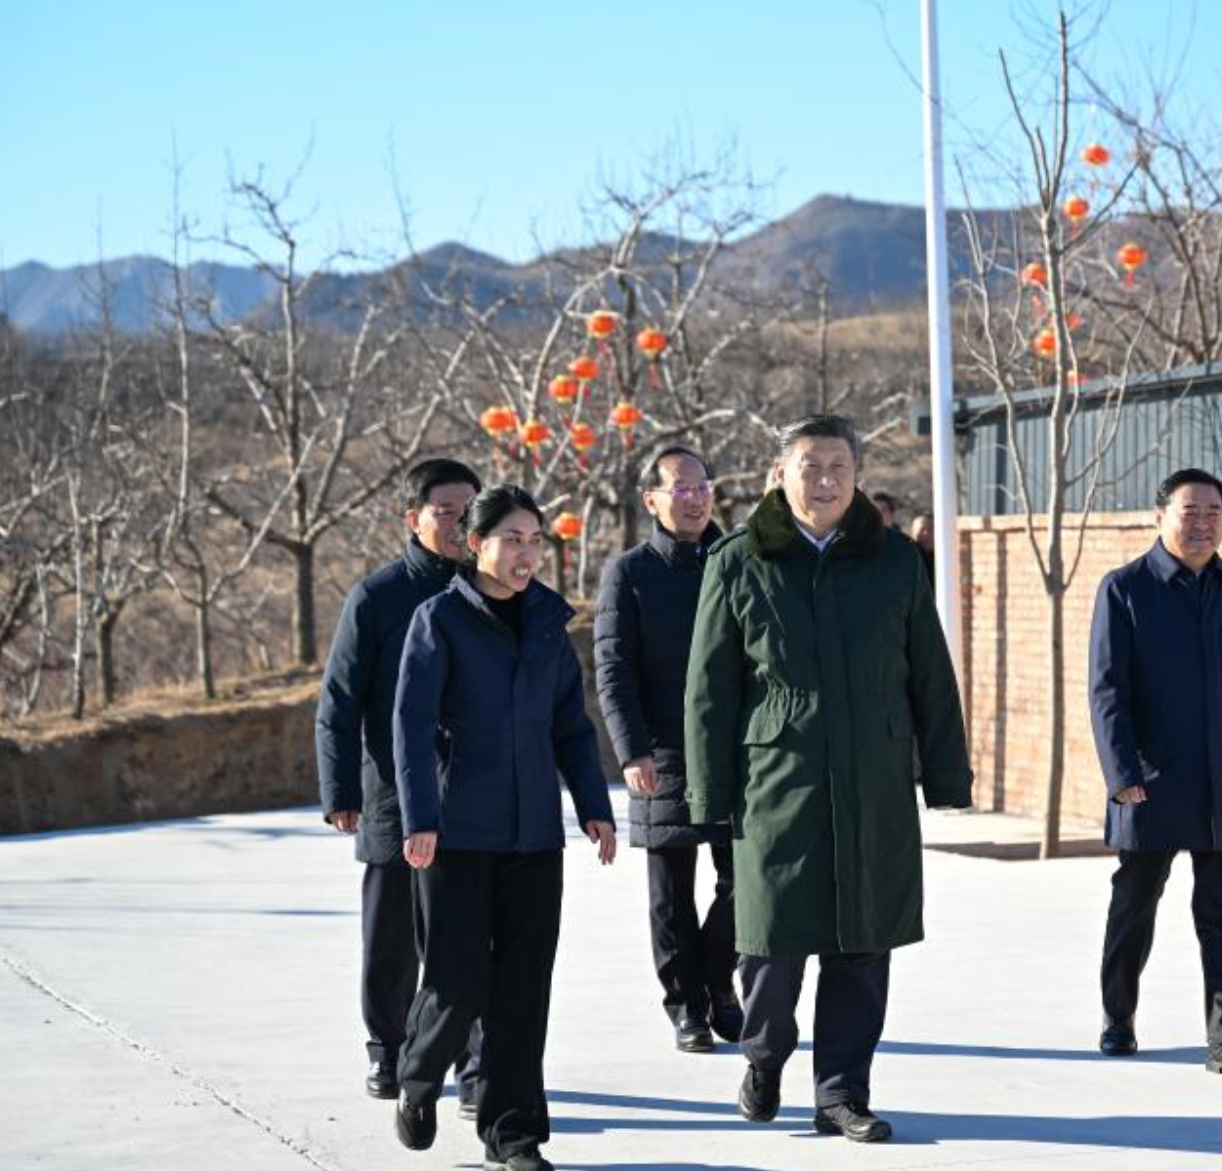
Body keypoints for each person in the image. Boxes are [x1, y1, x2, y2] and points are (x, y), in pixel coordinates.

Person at [685, 415, 971, 1144]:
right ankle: (763, 1057)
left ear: (857, 475)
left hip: (874, 774)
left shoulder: (896, 561)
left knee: (861, 942)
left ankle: (843, 1091)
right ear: (780, 474)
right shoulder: (738, 560)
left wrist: (945, 773)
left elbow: (930, 673)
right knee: (771, 939)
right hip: (776, 778)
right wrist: (707, 793)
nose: (825, 479)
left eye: (838, 465)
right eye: (810, 465)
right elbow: (709, 689)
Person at [391, 485, 618, 1171]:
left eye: (534, 541)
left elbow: (570, 725)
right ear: (476, 544)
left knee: (523, 990)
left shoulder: (549, 619)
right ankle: (420, 1073)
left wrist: (593, 805)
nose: (525, 554)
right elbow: (410, 727)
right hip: (456, 835)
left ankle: (513, 1136)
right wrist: (420, 818)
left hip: (532, 838)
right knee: (459, 982)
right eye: (511, 539)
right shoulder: (438, 620)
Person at [1089, 468, 1222, 1079]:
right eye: (1189, 511)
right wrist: (1121, 774)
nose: (1201, 524)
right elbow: (1107, 691)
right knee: (1135, 904)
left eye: (1213, 513)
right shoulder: (1125, 589)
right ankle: (1118, 1016)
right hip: (1150, 781)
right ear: (1160, 515)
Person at [315, 458, 485, 1109]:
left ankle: (474, 1063)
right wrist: (342, 793)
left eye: (470, 510)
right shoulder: (378, 596)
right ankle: (388, 1050)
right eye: (446, 511)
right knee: (390, 938)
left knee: (469, 934)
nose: (460, 523)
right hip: (391, 793)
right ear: (412, 520)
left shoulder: (491, 588)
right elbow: (339, 702)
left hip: (473, 796)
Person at [592, 445, 742, 1055]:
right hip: (663, 751)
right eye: (679, 487)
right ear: (652, 501)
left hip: (739, 747)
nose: (695, 496)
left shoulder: (739, 559)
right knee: (671, 890)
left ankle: (719, 981)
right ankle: (686, 1004)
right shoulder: (629, 573)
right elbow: (613, 668)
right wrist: (631, 750)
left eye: (702, 484)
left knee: (747, 882)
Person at [907, 512, 936, 581]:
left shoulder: (947, 558)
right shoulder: (906, 559)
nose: (926, 534)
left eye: (931, 529)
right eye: (922, 529)